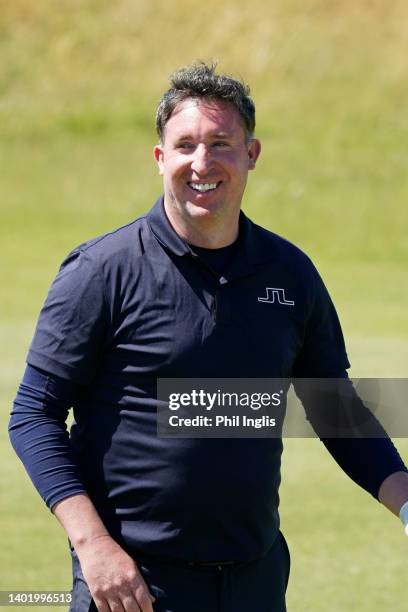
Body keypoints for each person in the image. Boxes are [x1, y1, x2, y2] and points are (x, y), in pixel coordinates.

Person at [9, 62, 408, 612]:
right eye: (186, 145)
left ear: (252, 155)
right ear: (160, 159)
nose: (202, 163)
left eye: (221, 143)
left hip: (255, 583)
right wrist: (93, 546)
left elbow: (336, 409)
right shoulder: (101, 271)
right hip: (133, 585)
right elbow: (34, 414)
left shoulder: (289, 273)